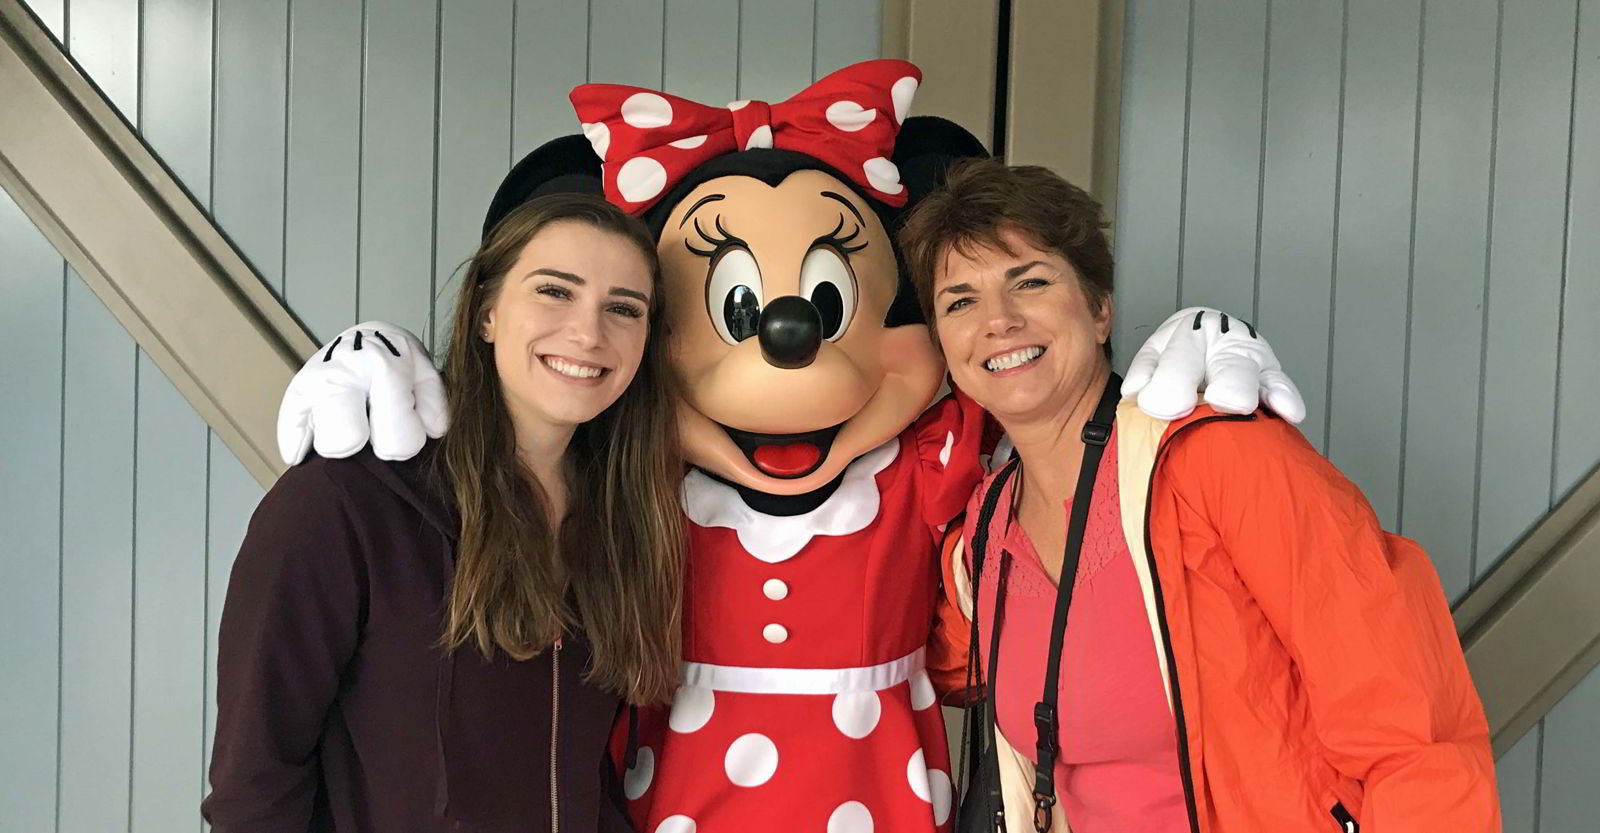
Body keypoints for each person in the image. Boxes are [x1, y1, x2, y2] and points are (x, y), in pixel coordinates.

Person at [907, 159, 1500, 833]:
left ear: (1100, 308)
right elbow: (917, 659)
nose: (999, 321)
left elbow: (1410, 727)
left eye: (1031, 282)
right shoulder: (989, 527)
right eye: (961, 300)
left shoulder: (1219, 458)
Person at [202, 192, 685, 833]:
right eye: (555, 292)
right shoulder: (345, 503)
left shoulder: (628, 518)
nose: (589, 333)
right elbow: (252, 786)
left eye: (623, 308)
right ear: (486, 311)